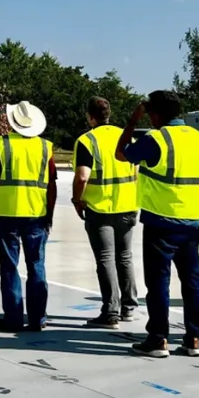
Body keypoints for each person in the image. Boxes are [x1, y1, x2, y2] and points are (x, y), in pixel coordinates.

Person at [116, 90, 199, 358]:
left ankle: (158, 339)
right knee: (193, 282)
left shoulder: (156, 138)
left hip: (160, 223)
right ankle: (194, 339)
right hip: (193, 222)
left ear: (155, 113)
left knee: (159, 284)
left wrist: (132, 121)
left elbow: (121, 154)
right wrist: (193, 203)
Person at [0, 101, 57, 333]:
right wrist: (49, 214)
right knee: (37, 266)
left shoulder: (1, 145)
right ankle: (37, 319)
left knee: (9, 267)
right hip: (37, 214)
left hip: (8, 214)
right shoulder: (46, 147)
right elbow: (51, 185)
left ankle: (13, 318)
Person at [71, 97, 139, 329]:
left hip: (100, 208)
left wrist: (77, 200)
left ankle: (111, 312)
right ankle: (129, 307)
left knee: (106, 259)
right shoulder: (127, 135)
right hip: (128, 205)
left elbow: (82, 176)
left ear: (90, 117)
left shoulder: (88, 141)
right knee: (125, 256)